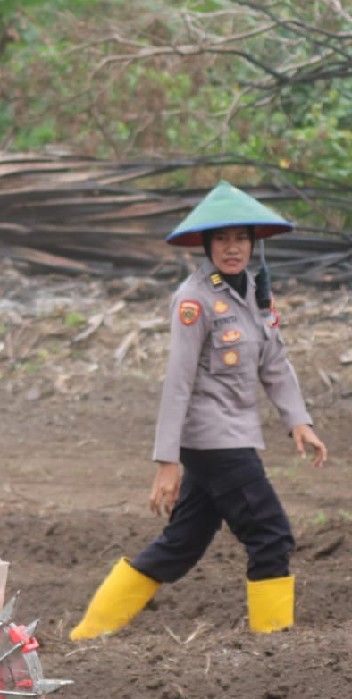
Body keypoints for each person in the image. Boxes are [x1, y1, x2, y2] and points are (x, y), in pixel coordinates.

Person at [70, 180, 327, 641]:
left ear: (253, 243)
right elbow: (178, 382)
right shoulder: (194, 300)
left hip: (234, 434)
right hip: (214, 440)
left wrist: (299, 421)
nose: (233, 248)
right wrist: (167, 461)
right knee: (271, 535)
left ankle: (87, 636)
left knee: (181, 545)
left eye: (241, 238)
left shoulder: (254, 293)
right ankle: (275, 644)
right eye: (223, 239)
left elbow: (275, 362)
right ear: (207, 245)